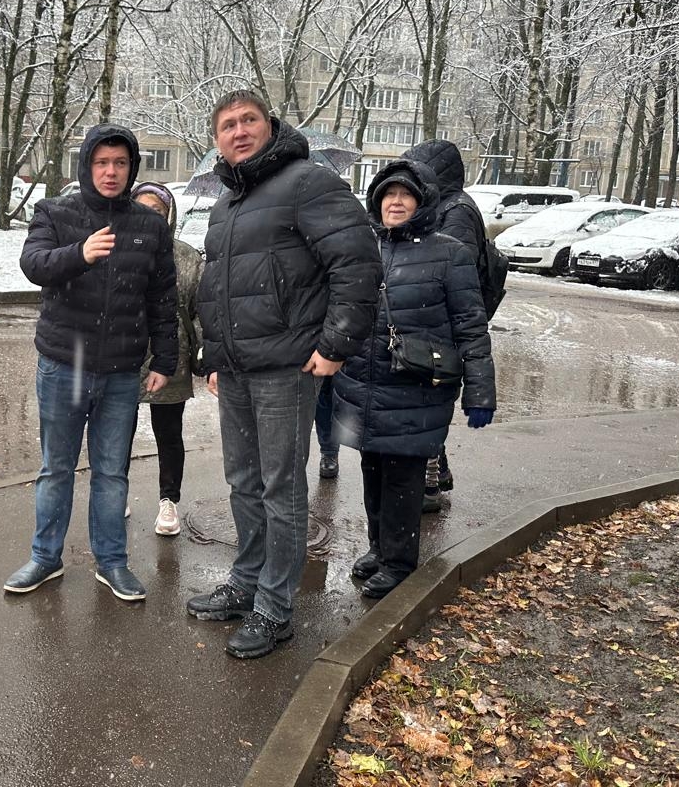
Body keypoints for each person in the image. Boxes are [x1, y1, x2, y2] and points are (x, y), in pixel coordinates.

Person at [190, 90, 382, 659]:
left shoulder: (307, 182)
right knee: (243, 482)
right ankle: (245, 583)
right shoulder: (227, 204)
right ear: (217, 140)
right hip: (237, 370)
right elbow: (217, 289)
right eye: (227, 125)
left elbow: (356, 261)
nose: (238, 131)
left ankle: (275, 608)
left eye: (248, 119)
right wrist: (214, 358)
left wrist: (335, 345)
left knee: (280, 487)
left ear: (269, 126)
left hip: (287, 367)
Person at [4, 124, 178, 603]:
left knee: (111, 472)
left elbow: (162, 297)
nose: (111, 172)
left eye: (120, 163)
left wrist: (165, 358)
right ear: (87, 166)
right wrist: (79, 254)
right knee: (56, 468)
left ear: (132, 168)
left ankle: (112, 561)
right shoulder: (55, 212)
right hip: (63, 365)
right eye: (102, 163)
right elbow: (33, 264)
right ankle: (45, 557)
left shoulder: (150, 226)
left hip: (121, 371)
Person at [331, 158, 496, 599]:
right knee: (372, 471)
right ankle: (379, 548)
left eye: (406, 194)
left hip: (415, 387)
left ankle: (400, 563)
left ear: (422, 202)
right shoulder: (364, 248)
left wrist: (480, 391)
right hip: (364, 385)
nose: (396, 201)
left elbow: (471, 326)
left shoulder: (450, 254)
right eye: (389, 194)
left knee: (403, 479)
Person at [400, 139, 491, 512]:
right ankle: (437, 474)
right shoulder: (447, 206)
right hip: (434, 320)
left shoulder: (456, 212)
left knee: (428, 403)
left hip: (442, 325)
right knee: (424, 401)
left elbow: (451, 271)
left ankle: (429, 485)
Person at [125, 181, 203, 537]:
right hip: (123, 355)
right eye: (141, 208)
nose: (148, 216)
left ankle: (169, 499)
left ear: (169, 215)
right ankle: (116, 491)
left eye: (156, 210)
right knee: (117, 432)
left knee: (169, 433)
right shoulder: (117, 248)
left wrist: (202, 348)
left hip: (172, 356)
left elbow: (200, 309)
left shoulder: (186, 257)